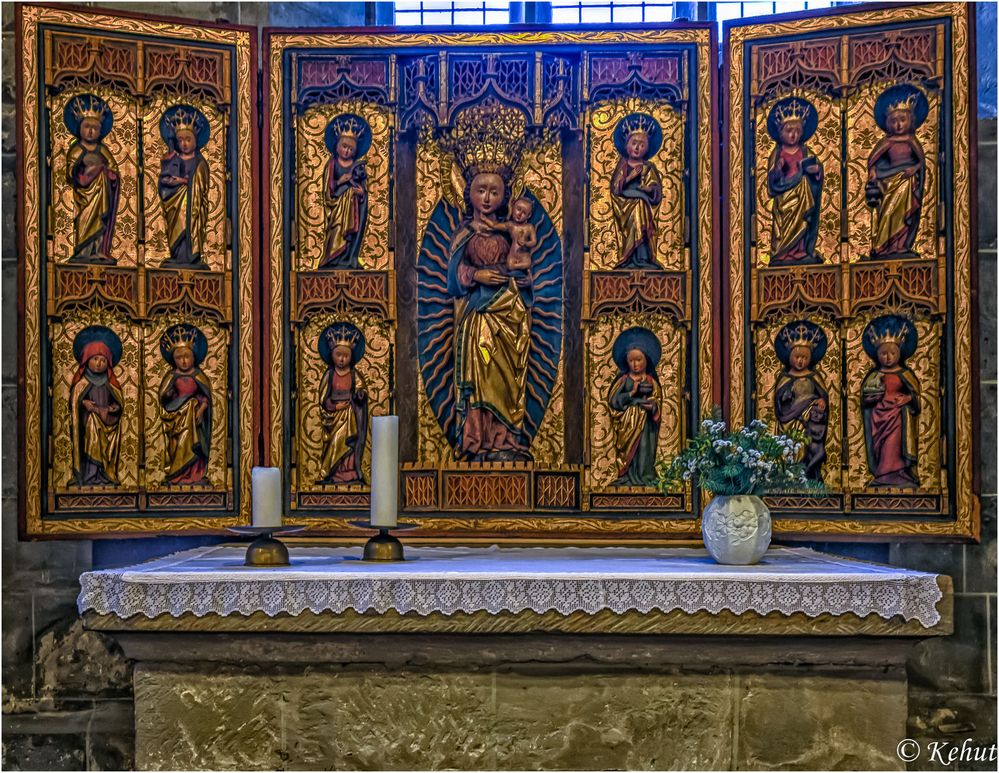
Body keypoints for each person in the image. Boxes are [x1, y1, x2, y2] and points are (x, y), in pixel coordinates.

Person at [447, 168, 533, 462]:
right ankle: (477, 440)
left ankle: (504, 438)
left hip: (509, 313)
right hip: (479, 315)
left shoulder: (510, 231)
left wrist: (521, 280)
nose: (486, 198)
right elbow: (452, 279)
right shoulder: (465, 234)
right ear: (468, 193)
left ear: (504, 197)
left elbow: (522, 266)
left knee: (506, 378)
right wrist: (476, 274)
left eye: (494, 192)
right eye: (480, 190)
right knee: (479, 374)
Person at [866, 86, 927, 259]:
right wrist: (873, 171)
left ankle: (901, 246)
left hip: (907, 182)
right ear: (887, 123)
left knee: (904, 213)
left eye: (902, 120)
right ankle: (883, 245)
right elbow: (873, 160)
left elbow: (922, 164)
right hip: (888, 183)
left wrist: (913, 169)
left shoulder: (911, 140)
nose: (898, 125)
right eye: (893, 121)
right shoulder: (887, 141)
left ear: (911, 120)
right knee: (888, 213)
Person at [861, 316, 921, 487]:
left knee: (894, 444)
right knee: (882, 445)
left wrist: (908, 398)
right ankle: (882, 474)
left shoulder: (905, 373)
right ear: (877, 355)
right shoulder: (874, 374)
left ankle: (899, 473)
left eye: (892, 353)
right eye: (883, 353)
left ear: (899, 353)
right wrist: (872, 398)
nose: (888, 357)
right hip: (878, 416)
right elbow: (865, 398)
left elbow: (916, 395)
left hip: (898, 415)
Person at [766, 98, 823, 265]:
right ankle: (783, 252)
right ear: (780, 132)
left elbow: (816, 170)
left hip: (802, 196)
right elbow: (772, 180)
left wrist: (816, 171)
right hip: (785, 197)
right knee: (785, 223)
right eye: (789, 130)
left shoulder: (806, 151)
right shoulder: (778, 153)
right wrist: (778, 169)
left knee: (803, 220)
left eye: (798, 131)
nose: (793, 135)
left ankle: (801, 250)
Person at [65, 94, 119, 263]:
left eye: (95, 128)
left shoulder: (102, 150)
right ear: (79, 127)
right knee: (85, 222)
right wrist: (87, 171)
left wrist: (110, 175)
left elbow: (114, 169)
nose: (91, 131)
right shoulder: (76, 150)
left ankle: (99, 250)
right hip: (85, 197)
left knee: (100, 222)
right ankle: (83, 251)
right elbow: (70, 173)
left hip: (102, 195)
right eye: (87, 126)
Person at [773, 321, 830, 481]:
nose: (800, 361)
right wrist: (784, 398)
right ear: (789, 357)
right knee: (791, 448)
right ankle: (790, 475)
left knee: (807, 447)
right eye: (797, 357)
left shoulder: (814, 377)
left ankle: (807, 476)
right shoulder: (785, 379)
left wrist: (821, 401)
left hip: (809, 423)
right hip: (790, 420)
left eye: (804, 358)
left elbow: (823, 397)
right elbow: (779, 402)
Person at [608, 328, 663, 487]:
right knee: (630, 453)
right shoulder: (624, 380)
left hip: (646, 425)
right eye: (631, 360)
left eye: (638, 360)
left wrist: (653, 407)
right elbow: (614, 401)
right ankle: (627, 476)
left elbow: (658, 400)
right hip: (628, 425)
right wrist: (631, 393)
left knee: (645, 451)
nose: (635, 364)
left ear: (646, 359)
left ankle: (645, 476)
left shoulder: (652, 381)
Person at [158, 324, 212, 485]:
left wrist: (200, 410)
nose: (183, 361)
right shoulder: (171, 375)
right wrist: (168, 395)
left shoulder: (199, 376)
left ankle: (194, 475)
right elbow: (163, 396)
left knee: (194, 446)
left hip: (193, 419)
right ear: (174, 360)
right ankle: (176, 474)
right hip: (176, 416)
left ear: (193, 357)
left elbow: (206, 397)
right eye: (179, 358)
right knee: (177, 445)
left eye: (186, 356)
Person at [69, 327, 123, 486]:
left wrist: (115, 407)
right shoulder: (81, 384)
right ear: (87, 360)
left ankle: (104, 472)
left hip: (107, 423)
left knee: (100, 434)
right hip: (88, 422)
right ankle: (89, 474)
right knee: (92, 424)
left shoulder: (110, 383)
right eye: (95, 359)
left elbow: (119, 402)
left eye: (103, 360)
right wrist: (83, 403)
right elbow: (74, 405)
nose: (99, 364)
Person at [158, 105, 210, 268]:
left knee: (190, 227)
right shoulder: (174, 159)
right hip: (175, 205)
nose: (185, 143)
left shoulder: (200, 162)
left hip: (192, 208)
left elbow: (201, 186)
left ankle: (190, 255)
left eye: (188, 139)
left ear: (196, 140)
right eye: (181, 140)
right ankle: (178, 255)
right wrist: (181, 182)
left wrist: (189, 184)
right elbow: (165, 181)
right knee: (177, 228)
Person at [610, 113, 664, 270]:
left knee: (640, 207)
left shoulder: (648, 168)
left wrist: (647, 189)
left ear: (646, 148)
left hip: (643, 203)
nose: (637, 147)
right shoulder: (624, 165)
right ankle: (628, 257)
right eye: (634, 143)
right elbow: (615, 189)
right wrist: (630, 177)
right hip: (625, 205)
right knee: (637, 207)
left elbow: (656, 192)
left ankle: (642, 257)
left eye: (641, 145)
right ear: (627, 145)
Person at [316, 322, 368, 484]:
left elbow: (361, 389)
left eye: (345, 356)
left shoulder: (354, 374)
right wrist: (333, 406)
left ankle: (349, 471)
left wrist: (360, 394)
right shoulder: (330, 375)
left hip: (350, 415)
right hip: (335, 416)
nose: (341, 359)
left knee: (349, 444)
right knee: (336, 441)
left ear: (351, 357)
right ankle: (332, 471)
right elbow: (323, 398)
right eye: (338, 355)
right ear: (332, 355)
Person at [319, 115, 369, 269]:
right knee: (336, 231)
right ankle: (332, 258)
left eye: (350, 149)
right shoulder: (332, 164)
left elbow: (363, 189)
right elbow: (328, 189)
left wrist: (361, 194)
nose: (347, 151)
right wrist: (341, 181)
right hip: (337, 208)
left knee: (351, 234)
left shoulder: (357, 166)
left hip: (353, 206)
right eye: (344, 146)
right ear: (337, 146)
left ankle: (350, 258)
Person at [474, 196, 537, 280]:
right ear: (513, 208)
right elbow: (495, 225)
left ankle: (525, 273)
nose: (520, 214)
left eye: (524, 213)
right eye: (518, 209)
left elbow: (534, 241)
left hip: (523, 256)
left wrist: (526, 243)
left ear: (528, 216)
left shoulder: (529, 227)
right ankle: (514, 277)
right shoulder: (510, 225)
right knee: (510, 266)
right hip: (513, 256)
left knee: (527, 263)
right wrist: (485, 219)